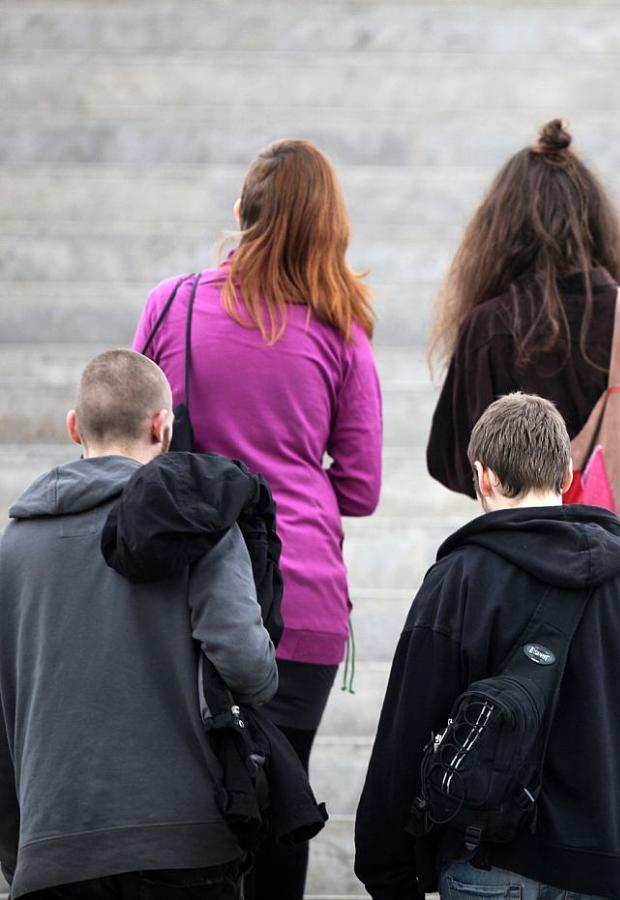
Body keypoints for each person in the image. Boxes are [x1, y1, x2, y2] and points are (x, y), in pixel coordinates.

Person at [133, 138, 383, 897]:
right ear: (329, 229)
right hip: (297, 601)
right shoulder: (341, 331)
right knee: (280, 797)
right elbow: (364, 486)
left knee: (189, 798)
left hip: (181, 591)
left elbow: (136, 449)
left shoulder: (170, 305)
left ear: (241, 212)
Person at [356, 393, 620, 900]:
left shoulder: (457, 582)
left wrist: (387, 870)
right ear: (567, 476)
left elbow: (406, 728)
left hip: (490, 863)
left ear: (482, 477)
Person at [426, 119, 620, 693]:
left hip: (513, 597)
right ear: (596, 228)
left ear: (499, 233)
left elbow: (448, 459)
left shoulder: (486, 331)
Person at [0, 349, 278, 898]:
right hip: (185, 842)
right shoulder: (200, 527)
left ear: (74, 426)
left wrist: (20, 851)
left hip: (53, 846)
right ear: (163, 425)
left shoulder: (12, 548)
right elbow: (249, 669)